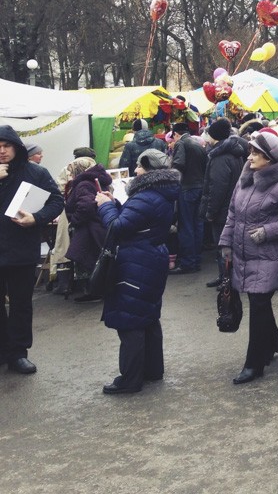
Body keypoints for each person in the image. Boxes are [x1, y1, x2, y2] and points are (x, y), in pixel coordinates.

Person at [219, 131, 278, 384]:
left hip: (268, 255)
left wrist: (269, 231)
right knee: (259, 303)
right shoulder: (245, 179)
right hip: (243, 253)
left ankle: (254, 364)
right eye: (251, 151)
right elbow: (233, 213)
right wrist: (226, 242)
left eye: (256, 152)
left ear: (270, 159)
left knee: (257, 305)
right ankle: (272, 343)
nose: (251, 156)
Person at [93, 149, 179, 394]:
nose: (136, 172)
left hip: (136, 261)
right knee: (148, 316)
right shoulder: (160, 192)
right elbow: (138, 222)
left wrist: (105, 206)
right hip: (151, 256)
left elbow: (117, 227)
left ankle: (130, 379)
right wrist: (118, 204)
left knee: (130, 321)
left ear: (148, 170)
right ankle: (153, 370)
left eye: (139, 168)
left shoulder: (146, 195)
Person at [0, 126, 64, 374]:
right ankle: (3, 350)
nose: (2, 151)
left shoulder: (35, 172)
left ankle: (18, 353)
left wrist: (36, 218)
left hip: (21, 250)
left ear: (16, 146)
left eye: (6, 146)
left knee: (20, 304)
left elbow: (57, 201)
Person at [200, 118, 247, 288]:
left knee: (223, 245)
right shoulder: (232, 152)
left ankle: (227, 279)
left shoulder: (220, 157)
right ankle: (225, 277)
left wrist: (211, 212)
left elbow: (217, 187)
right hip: (231, 205)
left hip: (224, 209)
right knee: (226, 245)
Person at [64, 158, 113, 302]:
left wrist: (74, 220)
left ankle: (95, 292)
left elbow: (86, 206)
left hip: (89, 230)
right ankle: (100, 291)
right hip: (99, 226)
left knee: (90, 261)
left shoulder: (83, 184)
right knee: (99, 260)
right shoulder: (95, 180)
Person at [169, 121, 208, 275]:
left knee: (186, 227)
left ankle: (188, 263)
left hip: (187, 188)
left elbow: (179, 164)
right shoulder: (197, 143)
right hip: (200, 187)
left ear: (176, 134)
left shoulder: (181, 143)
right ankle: (196, 259)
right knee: (198, 225)